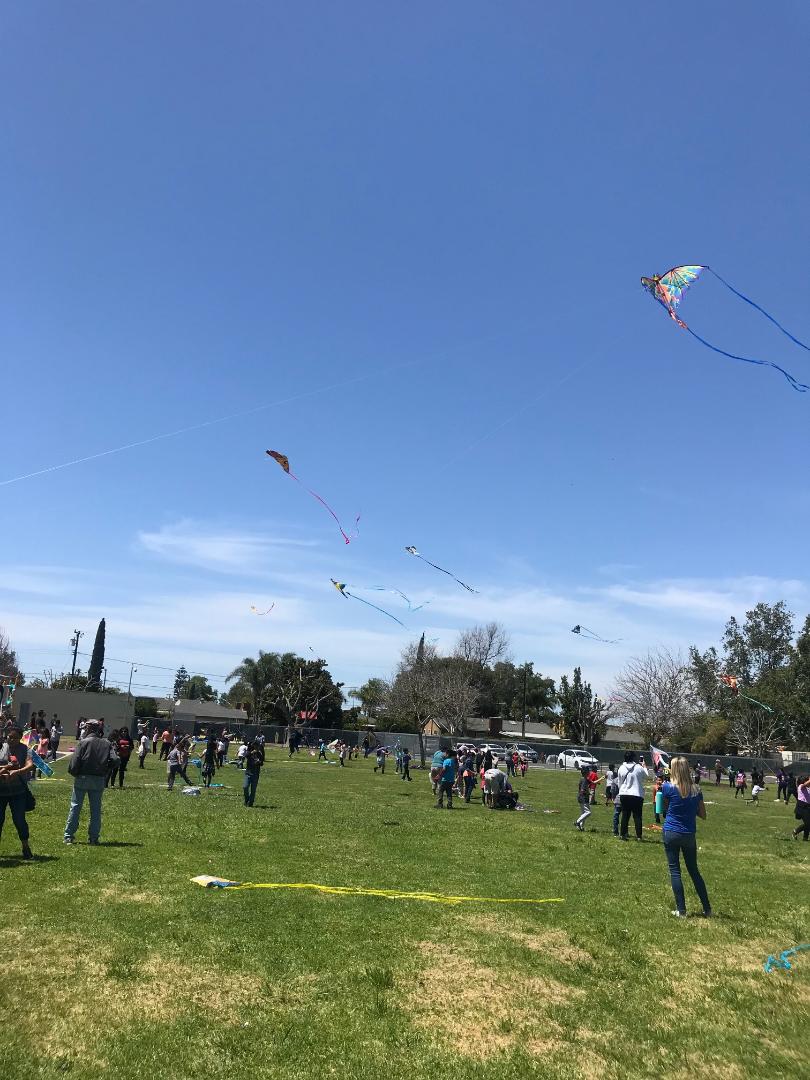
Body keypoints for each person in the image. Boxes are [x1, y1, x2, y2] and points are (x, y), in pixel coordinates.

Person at [661, 756, 711, 917]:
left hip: (671, 831)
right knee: (694, 870)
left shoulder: (667, 787)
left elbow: (664, 809)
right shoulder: (696, 789)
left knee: (675, 870)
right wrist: (690, 809)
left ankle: (681, 910)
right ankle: (707, 908)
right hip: (689, 833)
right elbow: (703, 815)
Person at [64, 720, 119, 845]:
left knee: (75, 807)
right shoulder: (106, 743)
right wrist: (106, 769)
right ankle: (94, 837)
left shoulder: (83, 742)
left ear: (88, 728)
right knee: (95, 810)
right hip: (98, 779)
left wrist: (75, 773)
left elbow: (74, 762)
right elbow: (115, 760)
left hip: (82, 777)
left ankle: (69, 836)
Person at [0, 726, 35, 859]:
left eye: (15, 738)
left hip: (18, 792)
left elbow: (30, 765)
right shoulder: (1, 747)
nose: (12, 740)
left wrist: (18, 772)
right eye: (10, 737)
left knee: (19, 820)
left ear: (20, 738)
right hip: (1, 791)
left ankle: (25, 847)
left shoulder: (25, 749)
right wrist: (6, 768)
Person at [617, 751, 648, 841]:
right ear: (633, 758)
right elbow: (646, 776)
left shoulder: (621, 768)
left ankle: (623, 835)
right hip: (637, 794)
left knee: (625, 815)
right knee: (637, 816)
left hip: (624, 794)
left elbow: (619, 782)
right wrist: (644, 766)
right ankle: (639, 836)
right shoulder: (638, 767)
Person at [243, 741, 265, 807]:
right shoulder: (249, 752)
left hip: (255, 774)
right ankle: (246, 800)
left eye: (257, 746)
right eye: (255, 746)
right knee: (245, 787)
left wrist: (259, 762)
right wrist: (252, 752)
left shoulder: (259, 754)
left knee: (253, 790)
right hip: (248, 773)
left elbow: (262, 763)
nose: (257, 747)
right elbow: (246, 756)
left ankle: (250, 803)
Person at [791, 775, 810, 841]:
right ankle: (795, 831)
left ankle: (805, 837)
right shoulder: (801, 786)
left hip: (807, 807)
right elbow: (805, 784)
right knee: (808, 823)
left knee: (807, 822)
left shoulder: (808, 788)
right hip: (802, 807)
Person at [575, 767, 593, 832]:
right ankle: (577, 822)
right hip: (583, 798)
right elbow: (582, 790)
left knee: (583, 813)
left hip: (582, 797)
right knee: (588, 812)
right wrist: (587, 793)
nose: (589, 772)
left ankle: (581, 827)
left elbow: (591, 783)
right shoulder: (584, 780)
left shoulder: (583, 779)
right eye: (588, 771)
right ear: (586, 773)